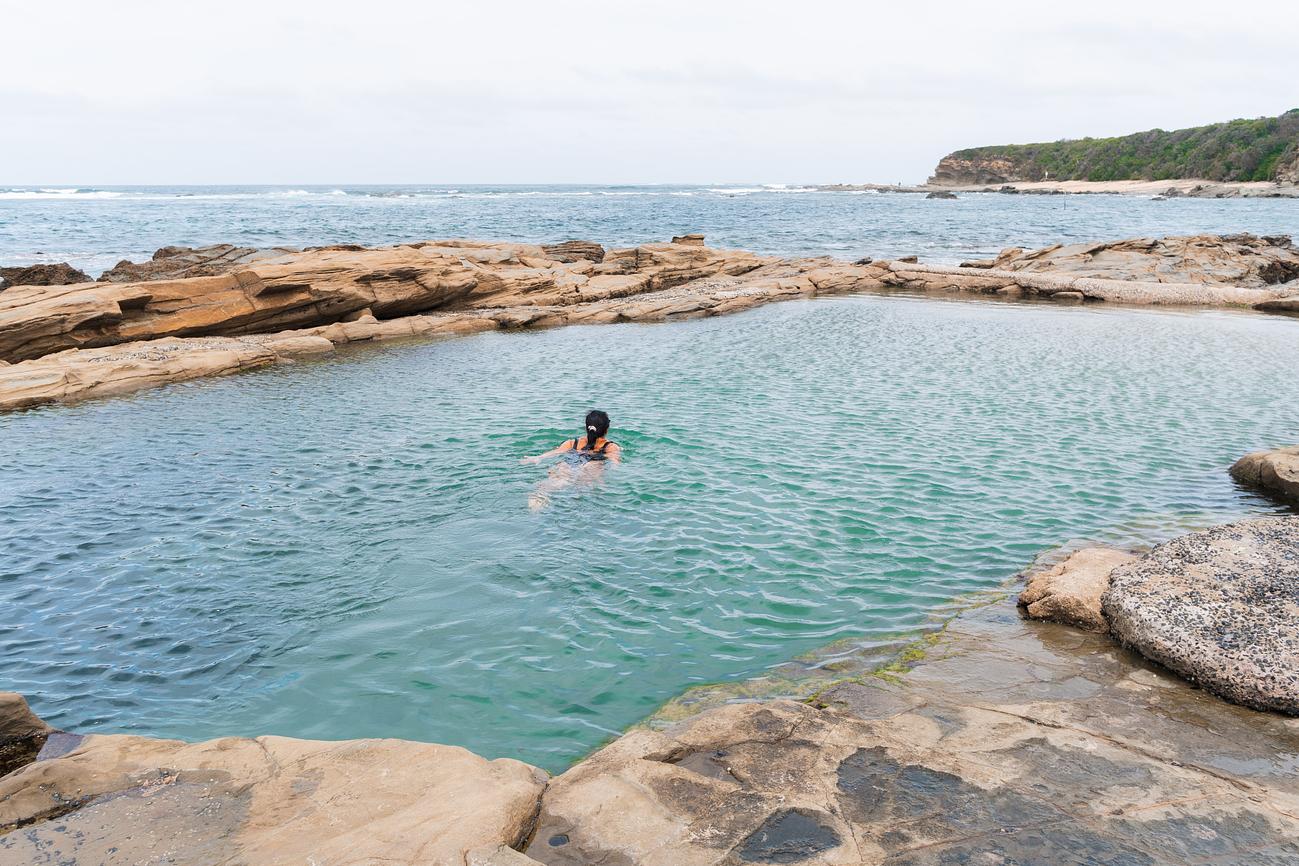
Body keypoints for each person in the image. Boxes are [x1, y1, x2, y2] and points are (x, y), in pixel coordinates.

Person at [522, 410, 621, 509]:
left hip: (569, 462)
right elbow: (614, 464)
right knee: (587, 484)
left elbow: (555, 452)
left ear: (586, 428)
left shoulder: (572, 443)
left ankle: (536, 504)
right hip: (592, 465)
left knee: (554, 482)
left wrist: (538, 457)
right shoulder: (610, 447)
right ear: (607, 429)